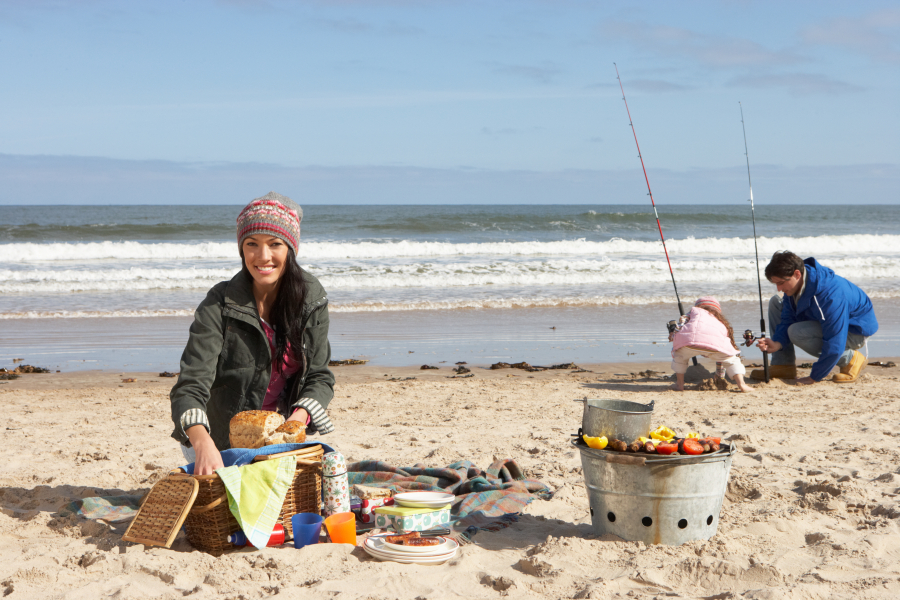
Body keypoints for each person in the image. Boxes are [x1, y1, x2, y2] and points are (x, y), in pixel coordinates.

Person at [169, 191, 335, 475]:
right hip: (215, 440)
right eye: (252, 244)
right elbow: (190, 385)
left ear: (290, 249)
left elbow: (319, 376)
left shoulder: (310, 299)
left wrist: (296, 422)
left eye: (275, 244)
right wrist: (203, 443)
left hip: (277, 438)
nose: (263, 256)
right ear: (241, 248)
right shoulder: (218, 304)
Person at [754, 251, 878, 385]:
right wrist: (777, 343)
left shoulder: (829, 296)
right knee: (776, 302)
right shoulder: (796, 285)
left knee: (796, 332)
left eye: (781, 283)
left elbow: (834, 337)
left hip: (854, 332)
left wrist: (814, 376)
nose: (779, 288)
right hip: (823, 320)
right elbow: (787, 318)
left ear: (797, 274)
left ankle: (851, 359)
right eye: (775, 284)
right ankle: (783, 365)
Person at [670, 297, 753, 393]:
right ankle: (742, 384)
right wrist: (720, 375)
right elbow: (722, 349)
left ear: (697, 307)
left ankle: (679, 384)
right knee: (731, 360)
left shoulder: (692, 313)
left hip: (688, 343)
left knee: (679, 357)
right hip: (714, 346)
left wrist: (673, 334)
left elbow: (680, 326)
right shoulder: (719, 321)